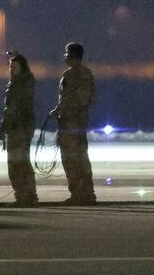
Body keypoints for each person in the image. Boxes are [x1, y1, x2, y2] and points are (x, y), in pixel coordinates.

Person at [50, 41, 97, 205]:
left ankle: (83, 193)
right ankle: (81, 193)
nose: (64, 56)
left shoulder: (82, 74)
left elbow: (82, 99)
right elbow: (66, 98)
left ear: (73, 55)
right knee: (73, 158)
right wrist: (58, 110)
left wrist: (68, 114)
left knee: (76, 158)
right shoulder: (69, 74)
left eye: (67, 53)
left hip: (74, 123)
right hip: (68, 122)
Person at [0, 50, 38, 206]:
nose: (11, 69)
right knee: (17, 163)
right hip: (16, 127)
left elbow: (13, 107)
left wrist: (5, 125)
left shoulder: (22, 83)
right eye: (10, 66)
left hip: (20, 127)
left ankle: (26, 195)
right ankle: (24, 195)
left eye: (15, 66)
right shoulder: (16, 83)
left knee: (19, 163)